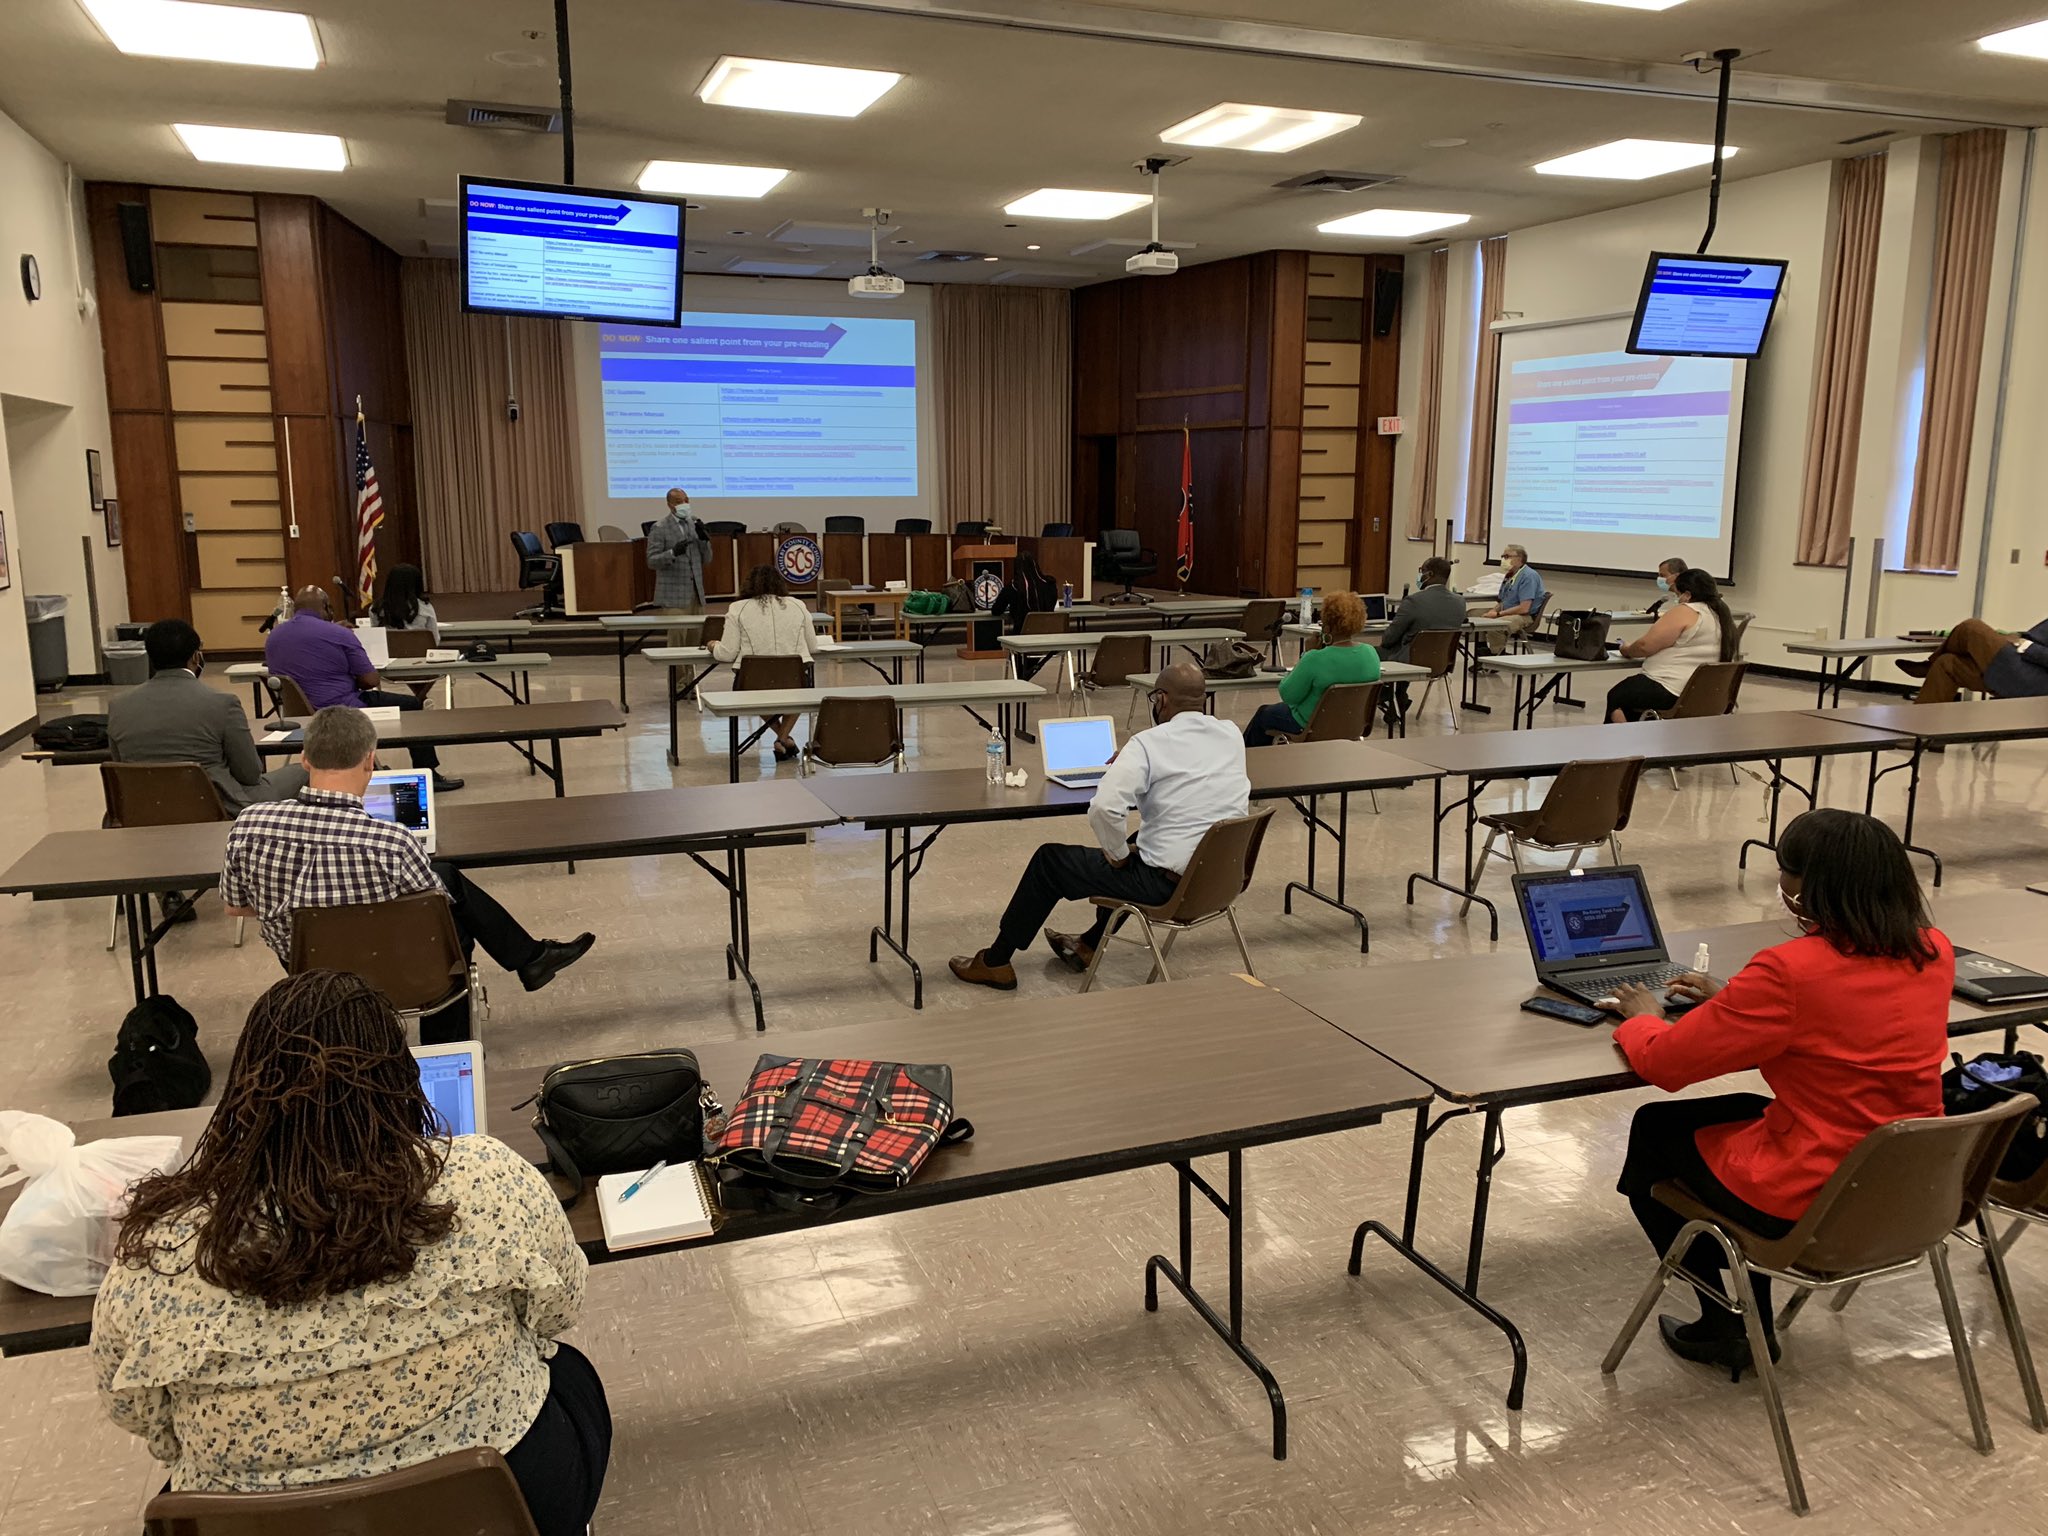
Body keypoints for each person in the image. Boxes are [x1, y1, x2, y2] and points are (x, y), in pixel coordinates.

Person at [94, 970, 610, 1534]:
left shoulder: (160, 1245)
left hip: (250, 1523)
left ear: (244, 1085)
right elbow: (559, 1310)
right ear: (402, 1077)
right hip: (489, 1504)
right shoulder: (486, 1175)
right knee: (569, 1373)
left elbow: (142, 1415)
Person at [1607, 809, 1951, 1376]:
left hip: (1817, 1189)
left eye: (1785, 873)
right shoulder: (1931, 949)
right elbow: (1838, 1021)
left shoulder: (1790, 971)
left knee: (1652, 1131)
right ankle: (1741, 1314)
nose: (1782, 886)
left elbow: (1665, 1064)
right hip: (1907, 1181)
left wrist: (1642, 1016)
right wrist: (1734, 998)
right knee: (1744, 1111)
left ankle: (1730, 1323)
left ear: (1809, 887)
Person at [220, 706, 594, 1041]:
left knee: (444, 875)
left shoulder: (250, 824)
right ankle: (451, 1042)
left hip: (310, 977)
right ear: (370, 760)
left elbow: (237, 909)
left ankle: (532, 959)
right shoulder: (390, 841)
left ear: (304, 759)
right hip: (399, 973)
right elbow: (430, 913)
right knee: (451, 922)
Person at [950, 662, 1248, 988]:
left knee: (1050, 861)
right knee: (1139, 839)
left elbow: (1104, 809)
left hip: (1169, 889)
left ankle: (995, 961)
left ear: (1161, 700)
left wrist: (1118, 854)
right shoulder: (1231, 734)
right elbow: (1193, 776)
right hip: (1219, 880)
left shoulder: (1148, 744)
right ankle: (1088, 945)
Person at [264, 586, 462, 792]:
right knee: (412, 704)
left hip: (299, 714)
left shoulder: (275, 636)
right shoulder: (339, 634)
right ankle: (429, 774)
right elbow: (370, 679)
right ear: (326, 608)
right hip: (343, 709)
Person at [108, 618, 307, 813]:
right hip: (217, 806)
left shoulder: (118, 706)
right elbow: (250, 774)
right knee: (303, 771)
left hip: (143, 809)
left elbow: (120, 767)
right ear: (196, 657)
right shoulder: (222, 703)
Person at [1243, 589, 1381, 747]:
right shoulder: (1370, 653)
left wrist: (1306, 654)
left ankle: (1248, 761)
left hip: (1311, 726)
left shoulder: (1315, 658)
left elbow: (1288, 695)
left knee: (1264, 714)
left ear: (1327, 627)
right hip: (1353, 725)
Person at [711, 563, 815, 761]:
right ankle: (783, 739)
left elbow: (726, 653)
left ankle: (781, 738)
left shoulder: (738, 608)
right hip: (794, 679)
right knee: (801, 691)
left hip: (752, 681)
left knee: (753, 694)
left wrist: (712, 645)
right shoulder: (798, 605)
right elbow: (813, 645)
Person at [1606, 567, 1737, 722]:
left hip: (1670, 687)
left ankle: (1624, 743)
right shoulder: (1722, 615)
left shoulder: (1686, 611)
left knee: (1616, 696)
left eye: (1678, 594)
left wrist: (1626, 649)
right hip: (1705, 693)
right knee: (1632, 697)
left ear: (1687, 595)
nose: (1678, 599)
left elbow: (1644, 646)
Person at [1378, 556, 1466, 719]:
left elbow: (1389, 638)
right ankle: (1398, 697)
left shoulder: (1413, 601)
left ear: (1429, 574)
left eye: (1421, 571)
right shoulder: (1460, 602)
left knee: (1374, 653)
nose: (1419, 576)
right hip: (1442, 663)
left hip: (1411, 660)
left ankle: (1386, 697)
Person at [1897, 615, 2048, 704]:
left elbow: (2031, 644)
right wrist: (2015, 638)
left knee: (1971, 628)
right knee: (1946, 664)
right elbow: (2035, 637)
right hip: (2021, 665)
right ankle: (1920, 737)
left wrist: (2028, 647)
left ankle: (1927, 666)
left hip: (2033, 679)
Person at [647, 486, 713, 634]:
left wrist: (705, 541)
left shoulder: (694, 524)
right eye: (678, 501)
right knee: (677, 642)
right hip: (674, 597)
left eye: (686, 500)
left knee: (697, 641)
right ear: (670, 505)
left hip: (696, 595)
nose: (684, 504)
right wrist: (672, 553)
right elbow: (651, 561)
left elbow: (707, 559)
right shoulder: (660, 527)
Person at [993, 551, 1059, 679]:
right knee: (1035, 638)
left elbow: (996, 610)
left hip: (1022, 635)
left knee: (1016, 641)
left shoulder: (1013, 587)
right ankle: (1027, 673)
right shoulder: (1050, 584)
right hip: (1049, 635)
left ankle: (1022, 677)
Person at [1483, 544, 1547, 651]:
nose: (1503, 559)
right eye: (1502, 556)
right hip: (1508, 611)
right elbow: (1504, 601)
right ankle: (1482, 651)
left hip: (1524, 616)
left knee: (1495, 626)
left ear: (1519, 559)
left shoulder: (1528, 576)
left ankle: (1495, 659)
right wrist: (1492, 611)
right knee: (1474, 615)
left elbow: (1524, 608)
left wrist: (1498, 614)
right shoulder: (1510, 575)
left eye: (1507, 556)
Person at [371, 563, 441, 642]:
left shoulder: (376, 608)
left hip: (388, 653)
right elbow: (435, 640)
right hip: (420, 653)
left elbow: (376, 639)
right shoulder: (425, 608)